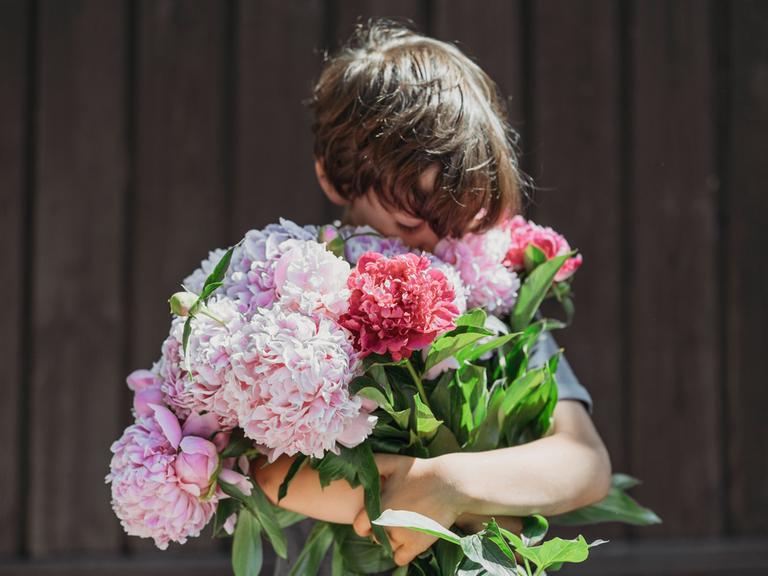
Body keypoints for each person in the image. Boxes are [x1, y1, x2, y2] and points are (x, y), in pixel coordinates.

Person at [252, 18, 612, 573]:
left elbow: (584, 464)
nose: (433, 245)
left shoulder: (494, 305)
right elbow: (271, 474)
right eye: (410, 221)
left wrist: (448, 485)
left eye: (456, 221)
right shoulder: (297, 305)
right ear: (332, 177)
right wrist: (472, 509)